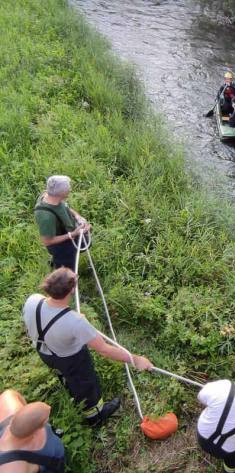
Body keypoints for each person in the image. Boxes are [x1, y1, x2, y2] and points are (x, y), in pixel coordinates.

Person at [22, 269, 153, 427]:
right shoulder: (75, 323)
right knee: (86, 385)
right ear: (71, 290)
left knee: (67, 377)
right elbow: (104, 349)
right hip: (71, 360)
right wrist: (136, 359)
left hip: (45, 352)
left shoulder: (33, 300)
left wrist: (70, 318)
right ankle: (96, 416)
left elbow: (45, 318)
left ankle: (69, 385)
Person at [0, 390, 64, 473]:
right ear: (37, 430)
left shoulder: (9, 399)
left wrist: (28, 420)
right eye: (46, 420)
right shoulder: (13, 467)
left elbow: (10, 392)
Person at [34, 176, 91, 270]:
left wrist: (77, 217)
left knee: (86, 240)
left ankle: (57, 261)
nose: (70, 189)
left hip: (67, 232)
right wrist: (73, 234)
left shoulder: (51, 195)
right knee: (66, 274)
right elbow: (47, 241)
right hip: (61, 245)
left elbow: (65, 207)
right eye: (69, 188)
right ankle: (64, 272)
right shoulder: (46, 217)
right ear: (62, 193)